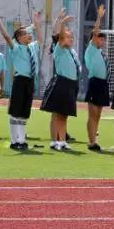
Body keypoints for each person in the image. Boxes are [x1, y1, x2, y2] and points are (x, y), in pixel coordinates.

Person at [0, 10, 47, 150]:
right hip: (20, 80)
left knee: (24, 112)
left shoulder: (32, 47)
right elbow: (6, 36)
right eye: (25, 34)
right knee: (16, 111)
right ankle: (14, 141)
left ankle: (21, 140)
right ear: (18, 38)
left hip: (30, 81)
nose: (29, 35)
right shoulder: (15, 48)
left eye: (29, 34)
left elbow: (40, 40)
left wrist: (37, 24)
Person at [40, 10, 79, 151]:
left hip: (70, 84)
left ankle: (62, 141)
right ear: (62, 39)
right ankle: (56, 141)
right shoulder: (60, 49)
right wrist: (63, 22)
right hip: (62, 83)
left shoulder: (70, 51)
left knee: (64, 115)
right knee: (59, 114)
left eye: (72, 38)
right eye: (68, 37)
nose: (71, 39)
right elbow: (60, 35)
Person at [83, 5, 110, 151]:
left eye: (103, 40)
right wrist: (99, 17)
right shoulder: (92, 49)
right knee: (93, 114)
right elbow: (96, 31)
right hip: (95, 82)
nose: (102, 41)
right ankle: (92, 142)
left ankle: (94, 138)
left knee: (98, 114)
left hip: (102, 83)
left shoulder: (100, 53)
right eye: (100, 39)